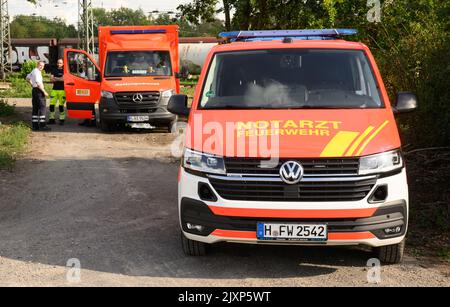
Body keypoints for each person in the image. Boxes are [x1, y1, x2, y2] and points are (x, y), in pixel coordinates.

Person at [26, 61, 50, 131]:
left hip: (34, 90)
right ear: (37, 65)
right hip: (39, 91)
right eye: (40, 65)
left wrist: (32, 85)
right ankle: (43, 125)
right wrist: (44, 92)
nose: (41, 67)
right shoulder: (37, 72)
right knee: (42, 107)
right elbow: (38, 83)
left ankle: (35, 126)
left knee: (35, 108)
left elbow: (27, 78)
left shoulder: (33, 70)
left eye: (43, 66)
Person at [48, 59, 66, 125]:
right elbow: (51, 79)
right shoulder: (54, 70)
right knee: (52, 105)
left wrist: (56, 78)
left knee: (61, 105)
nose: (59, 64)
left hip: (62, 90)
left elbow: (63, 79)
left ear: (63, 63)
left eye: (60, 63)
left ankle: (62, 119)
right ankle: (51, 119)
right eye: (58, 63)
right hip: (54, 90)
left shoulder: (65, 70)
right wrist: (59, 78)